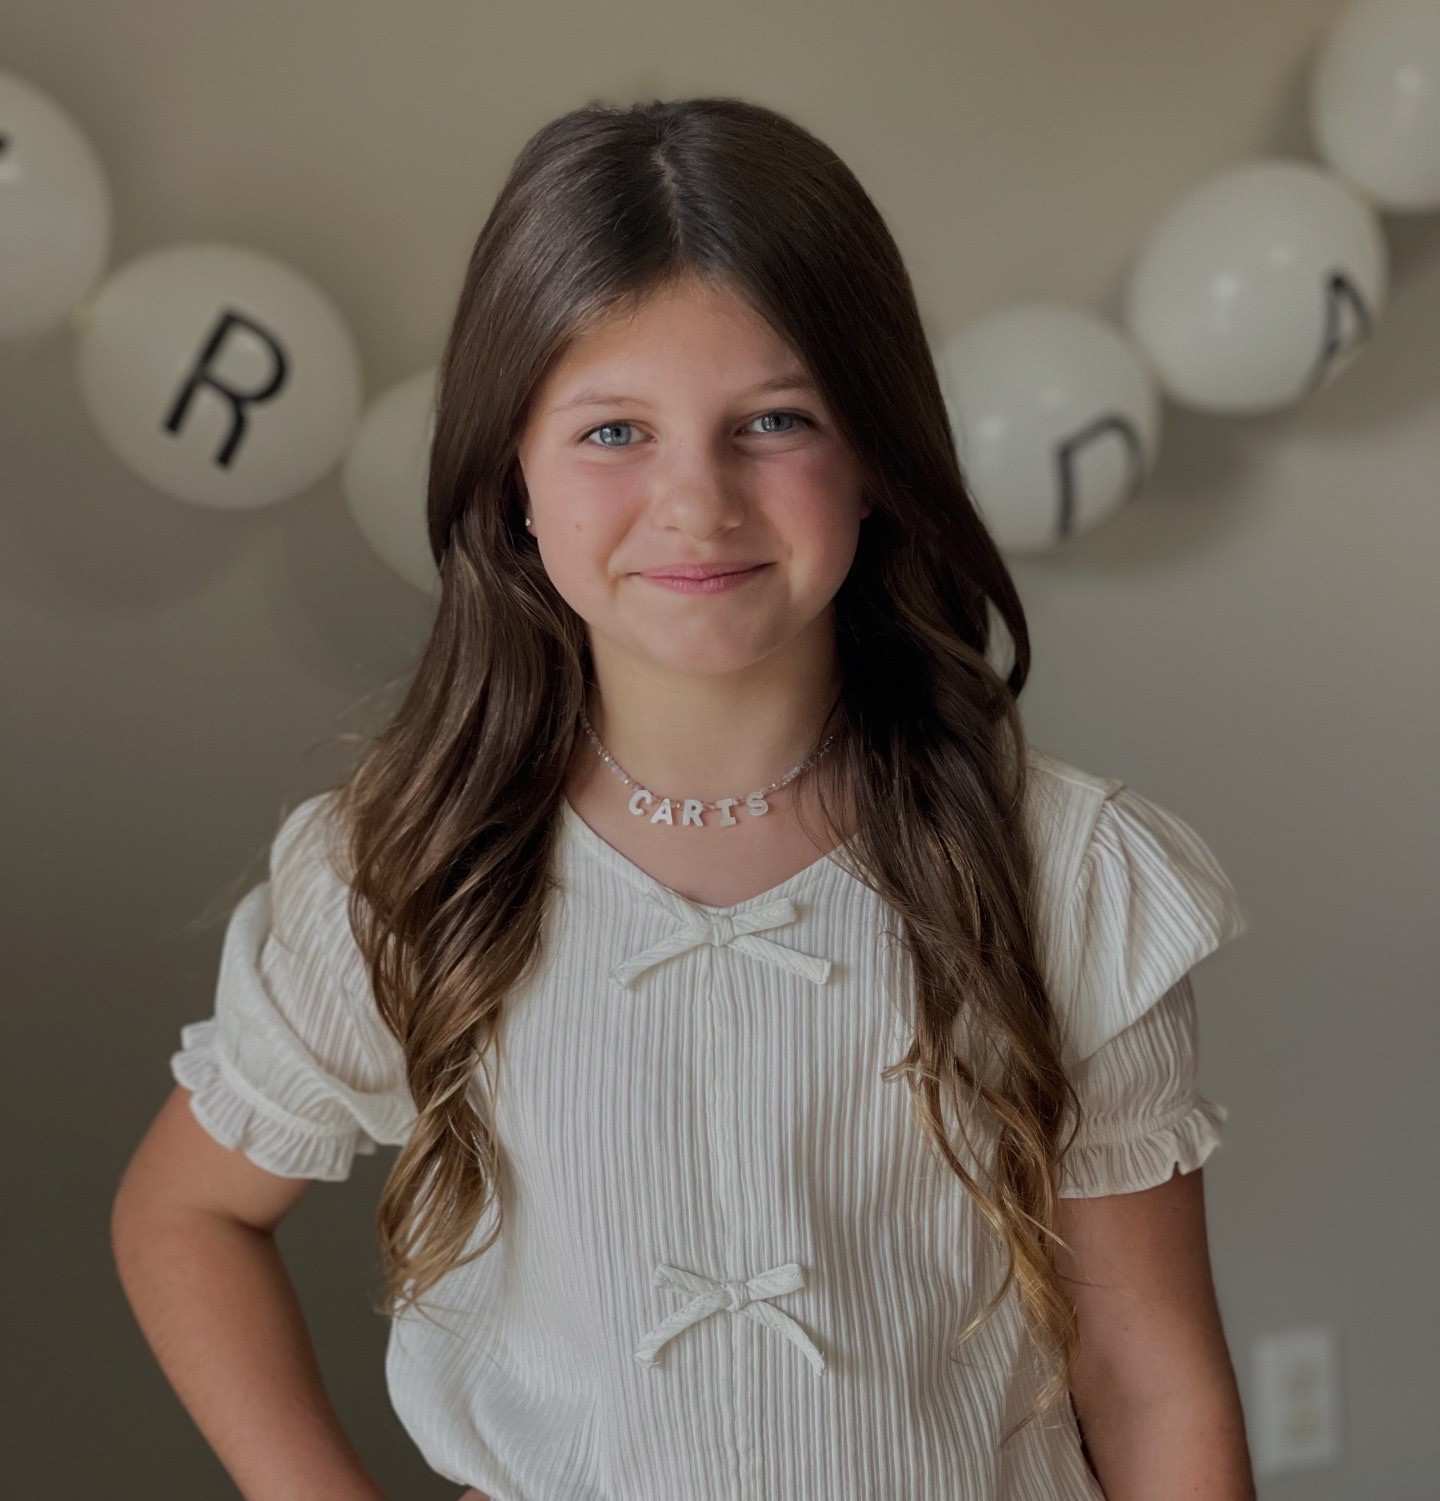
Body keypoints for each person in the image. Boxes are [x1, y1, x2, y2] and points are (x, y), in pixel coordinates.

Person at [111, 96, 1257, 1500]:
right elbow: (185, 1213)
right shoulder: (403, 865)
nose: (695, 501)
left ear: (876, 459)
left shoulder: (1068, 870)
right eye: (613, 431)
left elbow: (1153, 1381)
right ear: (512, 472)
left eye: (774, 419)